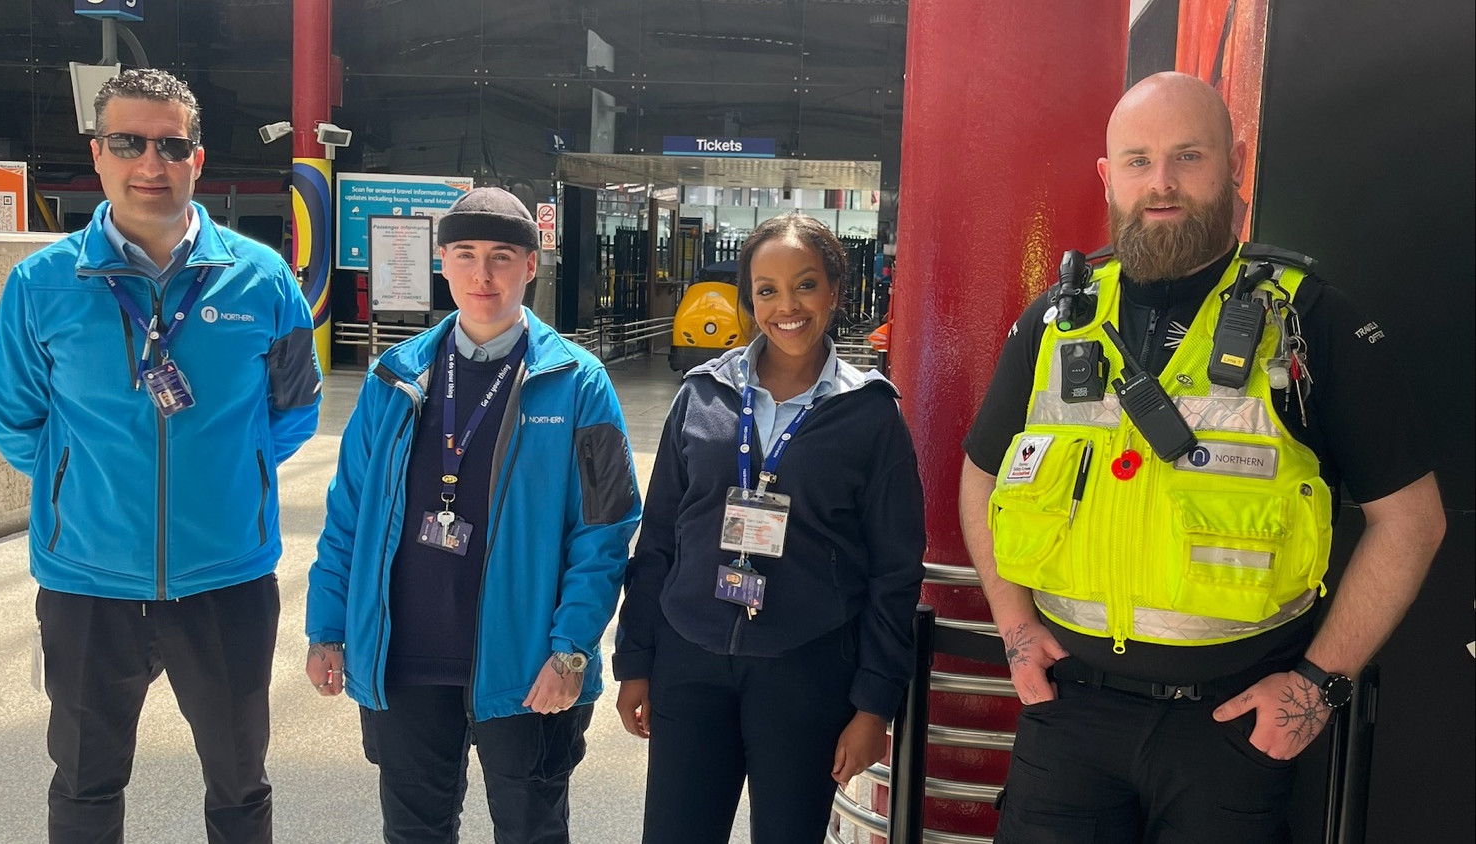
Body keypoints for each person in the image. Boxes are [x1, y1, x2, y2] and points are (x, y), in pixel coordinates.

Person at [958, 71, 1446, 843]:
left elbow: (1411, 521)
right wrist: (1015, 630)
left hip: (1231, 733)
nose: (1160, 183)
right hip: (1069, 716)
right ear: (1106, 175)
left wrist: (1315, 690)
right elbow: (981, 478)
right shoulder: (1055, 321)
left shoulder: (1311, 322)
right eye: (1137, 160)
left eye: (1187, 156)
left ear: (1234, 163)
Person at [0, 68, 322, 844]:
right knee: (84, 781)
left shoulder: (262, 277)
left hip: (226, 574)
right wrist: (90, 495)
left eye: (171, 145)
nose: (150, 163)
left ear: (197, 159)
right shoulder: (42, 284)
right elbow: (16, 420)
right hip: (87, 582)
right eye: (128, 142)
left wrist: (235, 477)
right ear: (97, 154)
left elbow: (295, 406)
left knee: (240, 783)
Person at [304, 187, 641, 844]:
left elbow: (604, 530)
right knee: (413, 831)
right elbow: (346, 516)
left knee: (531, 831)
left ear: (530, 266)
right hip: (404, 661)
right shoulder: (393, 378)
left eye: (500, 257)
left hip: (525, 666)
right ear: (443, 262)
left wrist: (570, 650)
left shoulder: (577, 382)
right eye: (465, 255)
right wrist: (328, 628)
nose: (482, 275)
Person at [614, 212, 927, 844]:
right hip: (689, 658)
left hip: (806, 669)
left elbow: (896, 572)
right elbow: (659, 539)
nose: (787, 306)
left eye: (806, 285)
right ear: (748, 300)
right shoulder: (702, 395)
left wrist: (873, 705)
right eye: (767, 290)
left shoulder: (869, 415)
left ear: (836, 292)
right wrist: (637, 659)